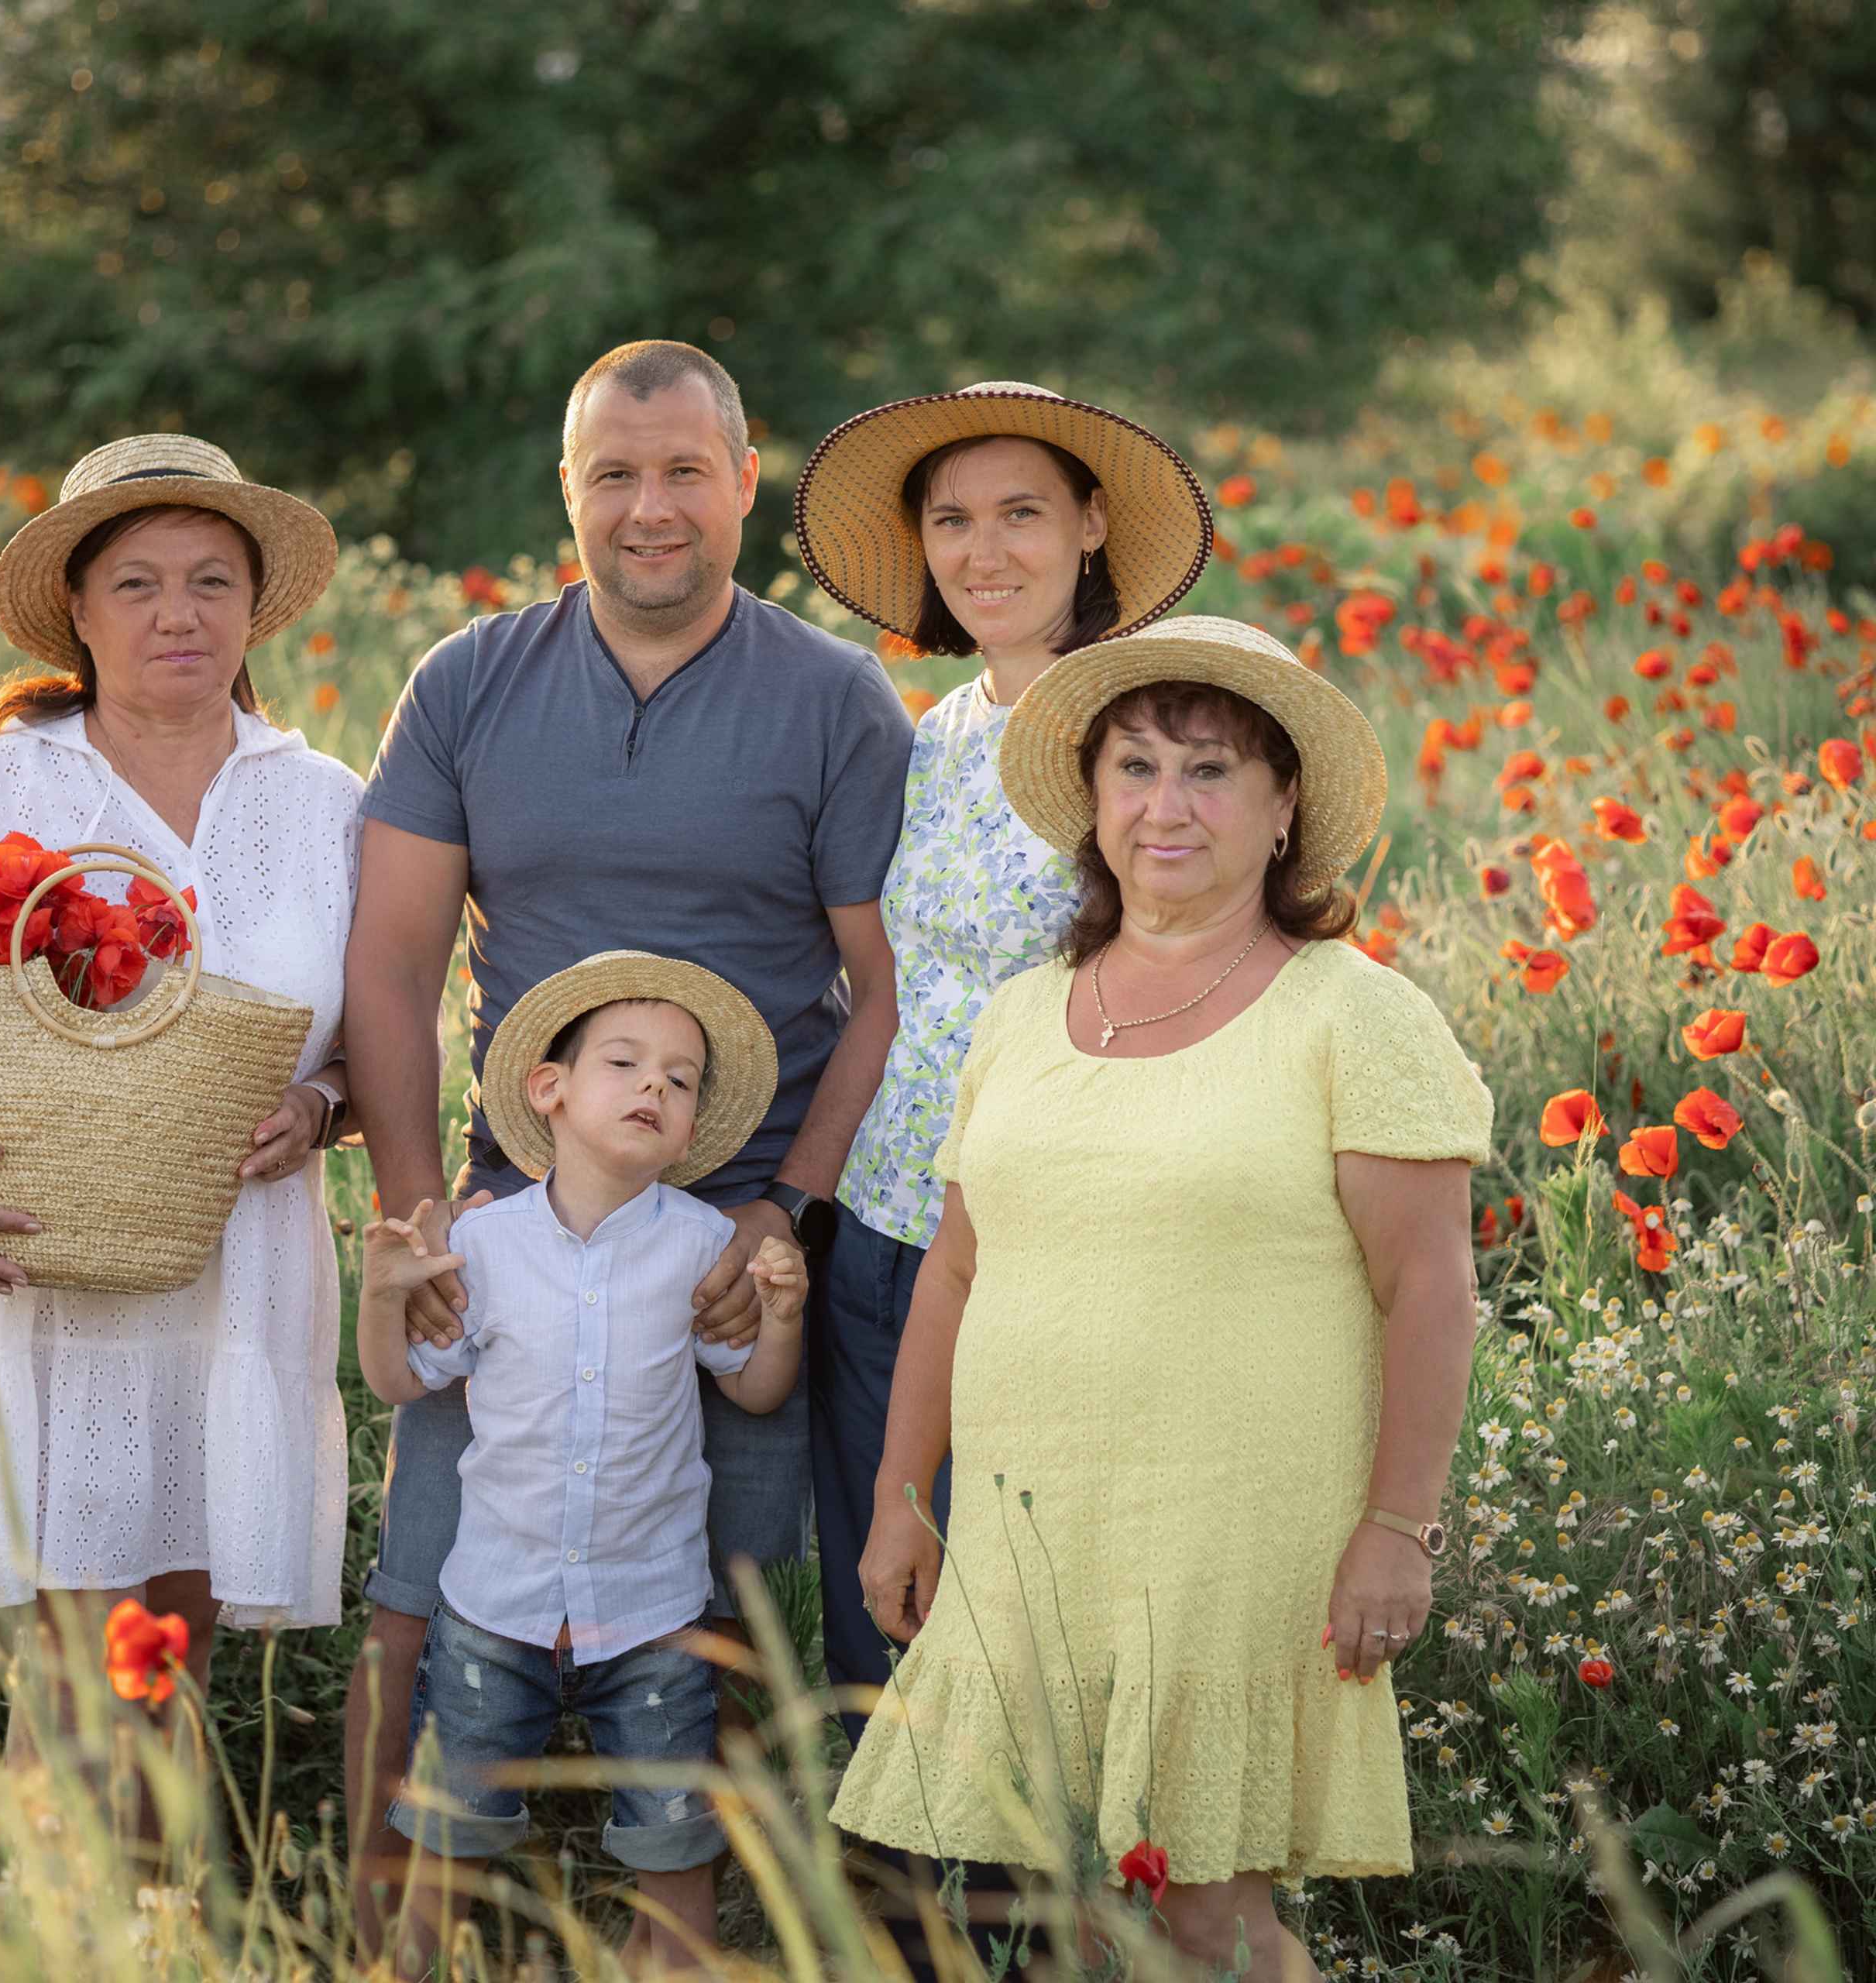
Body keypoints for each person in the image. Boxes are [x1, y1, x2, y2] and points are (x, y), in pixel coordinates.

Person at [342, 339, 911, 1946]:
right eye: (612, 473)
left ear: (746, 483)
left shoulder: (831, 697)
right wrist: (417, 1209)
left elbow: (876, 989)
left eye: (682, 471)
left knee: (715, 1603)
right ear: (567, 493)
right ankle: (386, 1922)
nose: (647, 507)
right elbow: (388, 961)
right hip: (514, 1207)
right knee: (426, 1582)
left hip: (728, 1230)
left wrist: (780, 1217)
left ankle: (689, 1922)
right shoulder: (470, 681)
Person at [834, 617, 1493, 1979]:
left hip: (1236, 1540)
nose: (1164, 805)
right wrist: (906, 1496)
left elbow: (1430, 1289)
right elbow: (958, 1271)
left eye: (1208, 771)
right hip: (1036, 1539)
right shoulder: (1023, 1013)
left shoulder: (1347, 1013)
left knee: (1213, 1920)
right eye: (1134, 767)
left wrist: (1396, 1531)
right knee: (1069, 1914)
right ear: (1092, 802)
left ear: (1283, 806)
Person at [0, 435, 359, 1730]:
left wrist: (321, 1107)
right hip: (33, 1290)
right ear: (81, 617)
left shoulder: (327, 804)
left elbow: (378, 1046)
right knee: (70, 1680)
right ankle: (76, 1922)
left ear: (254, 608)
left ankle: (172, 1924)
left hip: (241, 1278)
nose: (179, 613)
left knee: (174, 1668)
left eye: (213, 580)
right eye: (140, 583)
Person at [792, 380, 1211, 1744]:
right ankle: (890, 1921)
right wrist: (802, 1202)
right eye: (952, 519)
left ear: (1093, 524)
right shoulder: (936, 739)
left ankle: (1033, 1924)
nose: (984, 552)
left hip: (1052, 1243)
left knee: (1026, 1608)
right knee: (884, 1603)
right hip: (888, 1226)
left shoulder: (1152, 739)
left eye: (1021, 512)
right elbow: (892, 998)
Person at [356, 952, 807, 1979]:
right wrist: (381, 1299)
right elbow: (402, 1381)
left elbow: (753, 1390)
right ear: (550, 1090)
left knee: (675, 1839)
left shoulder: (701, 1246)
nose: (655, 1086)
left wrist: (779, 1320)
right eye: (625, 1062)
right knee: (447, 1838)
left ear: (692, 1128)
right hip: (494, 1608)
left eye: (681, 1080)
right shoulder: (486, 1244)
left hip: (653, 1611)